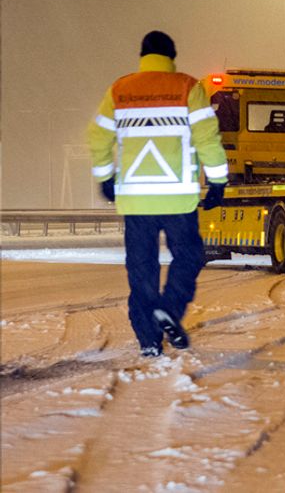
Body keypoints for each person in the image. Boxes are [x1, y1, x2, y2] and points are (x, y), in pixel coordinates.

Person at [87, 31, 229, 357]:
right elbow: (207, 139)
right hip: (178, 199)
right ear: (171, 56)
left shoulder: (120, 90)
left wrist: (105, 177)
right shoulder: (188, 88)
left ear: (142, 56)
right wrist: (219, 181)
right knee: (189, 257)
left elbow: (97, 137)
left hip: (137, 201)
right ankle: (169, 308)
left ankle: (148, 340)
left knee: (142, 269)